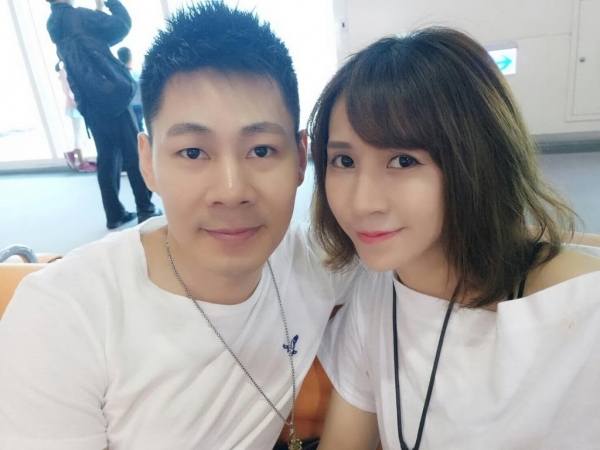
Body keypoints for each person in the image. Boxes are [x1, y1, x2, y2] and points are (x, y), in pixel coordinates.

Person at [0, 2, 362, 449]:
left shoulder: (318, 262)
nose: (231, 191)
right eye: (193, 152)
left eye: (261, 150)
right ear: (147, 163)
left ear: (301, 157)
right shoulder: (61, 317)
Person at [309, 28, 600, 449]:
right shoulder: (376, 296)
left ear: (477, 162)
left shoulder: (585, 311)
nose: (361, 202)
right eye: (344, 160)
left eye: (403, 160)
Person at [45, 0, 161, 229]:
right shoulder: (80, 16)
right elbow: (121, 25)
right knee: (133, 153)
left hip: (89, 102)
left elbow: (94, 41)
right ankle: (146, 210)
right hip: (111, 96)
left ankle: (114, 214)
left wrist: (97, 13)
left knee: (107, 157)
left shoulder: (53, 23)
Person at [56, 61, 97, 173]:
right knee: (79, 135)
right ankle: (82, 163)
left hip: (74, 107)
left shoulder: (65, 72)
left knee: (80, 134)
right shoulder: (67, 72)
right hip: (76, 107)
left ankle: (73, 154)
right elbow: (70, 92)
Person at [117, 46, 145, 132]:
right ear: (130, 57)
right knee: (139, 129)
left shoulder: (117, 77)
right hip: (139, 108)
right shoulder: (138, 75)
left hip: (125, 109)